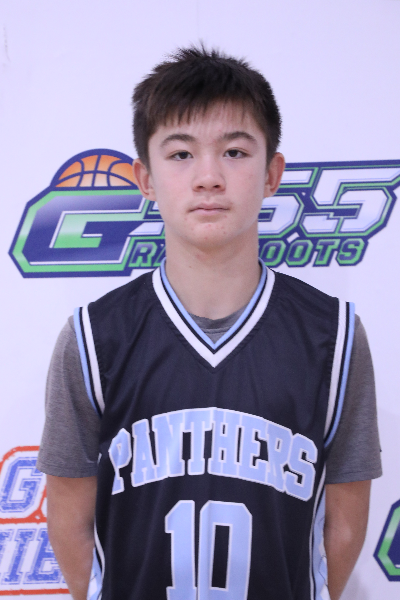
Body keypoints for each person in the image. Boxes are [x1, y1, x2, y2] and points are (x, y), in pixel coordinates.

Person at [37, 46, 382, 600]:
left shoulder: (334, 337)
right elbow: (69, 515)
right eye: (180, 154)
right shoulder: (94, 339)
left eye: (235, 152)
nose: (208, 177)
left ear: (272, 174)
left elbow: (344, 521)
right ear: (145, 178)